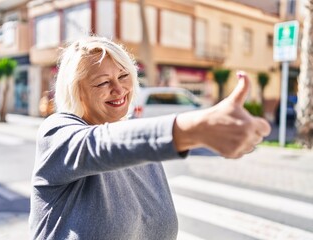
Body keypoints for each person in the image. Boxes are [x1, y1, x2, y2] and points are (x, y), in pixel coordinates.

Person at [29, 36, 271, 240]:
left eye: (123, 76)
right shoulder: (57, 132)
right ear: (75, 91)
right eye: (103, 82)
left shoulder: (143, 152)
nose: (119, 89)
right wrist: (197, 128)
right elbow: (96, 145)